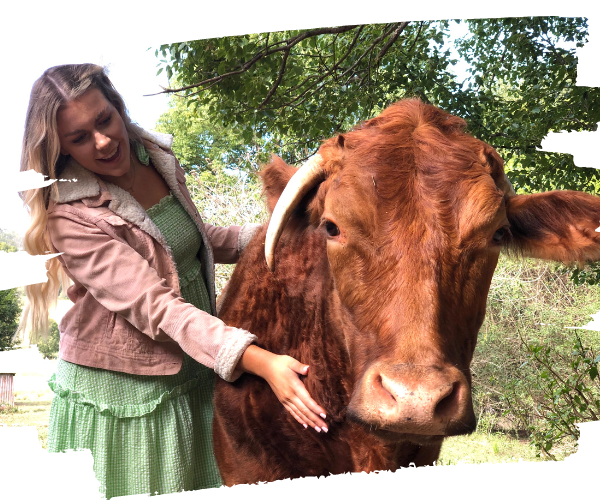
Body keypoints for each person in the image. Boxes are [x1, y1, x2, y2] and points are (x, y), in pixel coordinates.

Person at [17, 63, 328, 499]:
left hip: (198, 363)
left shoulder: (153, 159)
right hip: (130, 395)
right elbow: (156, 308)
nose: (103, 141)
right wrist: (261, 361)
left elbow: (194, 239)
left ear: (116, 105)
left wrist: (285, 229)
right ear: (61, 148)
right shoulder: (70, 217)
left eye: (104, 120)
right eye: (79, 138)